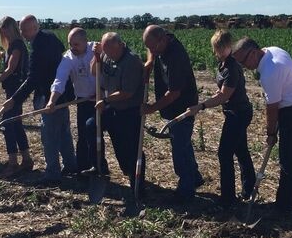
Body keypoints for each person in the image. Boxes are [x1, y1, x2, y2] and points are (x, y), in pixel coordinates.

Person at [233, 36, 292, 214]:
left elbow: (272, 107)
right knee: (287, 157)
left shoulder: (270, 71)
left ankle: (284, 206)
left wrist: (270, 133)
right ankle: (284, 201)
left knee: (288, 159)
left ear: (253, 52)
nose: (243, 67)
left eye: (243, 61)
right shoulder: (273, 50)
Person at [187, 30, 255, 210]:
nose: (219, 52)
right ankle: (250, 189)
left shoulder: (232, 67)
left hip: (239, 113)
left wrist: (201, 106)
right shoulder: (222, 65)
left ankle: (228, 197)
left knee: (224, 153)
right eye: (216, 48)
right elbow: (222, 91)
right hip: (234, 112)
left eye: (222, 48)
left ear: (229, 46)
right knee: (241, 150)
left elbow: (224, 96)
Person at [6, 15, 76, 186]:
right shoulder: (50, 36)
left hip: (49, 95)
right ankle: (71, 166)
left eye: (24, 30)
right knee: (63, 132)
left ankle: (53, 174)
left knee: (49, 135)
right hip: (64, 93)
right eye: (21, 30)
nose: (22, 34)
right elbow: (60, 51)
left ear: (34, 28)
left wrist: (15, 99)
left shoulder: (38, 46)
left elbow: (33, 79)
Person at [142, 25, 202, 200]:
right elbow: (150, 48)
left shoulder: (176, 57)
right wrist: (150, 61)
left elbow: (174, 93)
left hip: (182, 107)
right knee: (183, 143)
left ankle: (186, 189)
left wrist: (151, 108)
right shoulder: (162, 42)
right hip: (171, 105)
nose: (151, 50)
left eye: (153, 47)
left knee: (179, 148)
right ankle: (195, 177)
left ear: (162, 40)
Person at [86, 32, 146, 198]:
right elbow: (94, 73)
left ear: (120, 45)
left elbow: (127, 92)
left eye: (109, 51)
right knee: (92, 125)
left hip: (129, 110)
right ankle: (99, 166)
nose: (108, 55)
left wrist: (105, 101)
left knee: (129, 148)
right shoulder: (106, 55)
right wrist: (96, 55)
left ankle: (138, 186)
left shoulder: (131, 61)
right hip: (113, 107)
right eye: (105, 51)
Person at [0, 16, 34, 177]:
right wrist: (2, 54)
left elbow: (11, 68)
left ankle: (13, 162)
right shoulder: (12, 46)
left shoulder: (17, 46)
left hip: (15, 90)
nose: (3, 34)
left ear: (10, 29)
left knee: (7, 125)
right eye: (1, 31)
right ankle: (26, 159)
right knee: (16, 124)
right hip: (13, 89)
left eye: (5, 30)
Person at [46, 27, 96, 173]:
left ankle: (99, 166)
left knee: (98, 133)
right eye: (70, 44)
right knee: (84, 134)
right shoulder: (68, 58)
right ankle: (83, 169)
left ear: (85, 41)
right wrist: (52, 101)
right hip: (83, 101)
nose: (72, 48)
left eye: (76, 44)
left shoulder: (96, 49)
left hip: (103, 98)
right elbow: (59, 80)